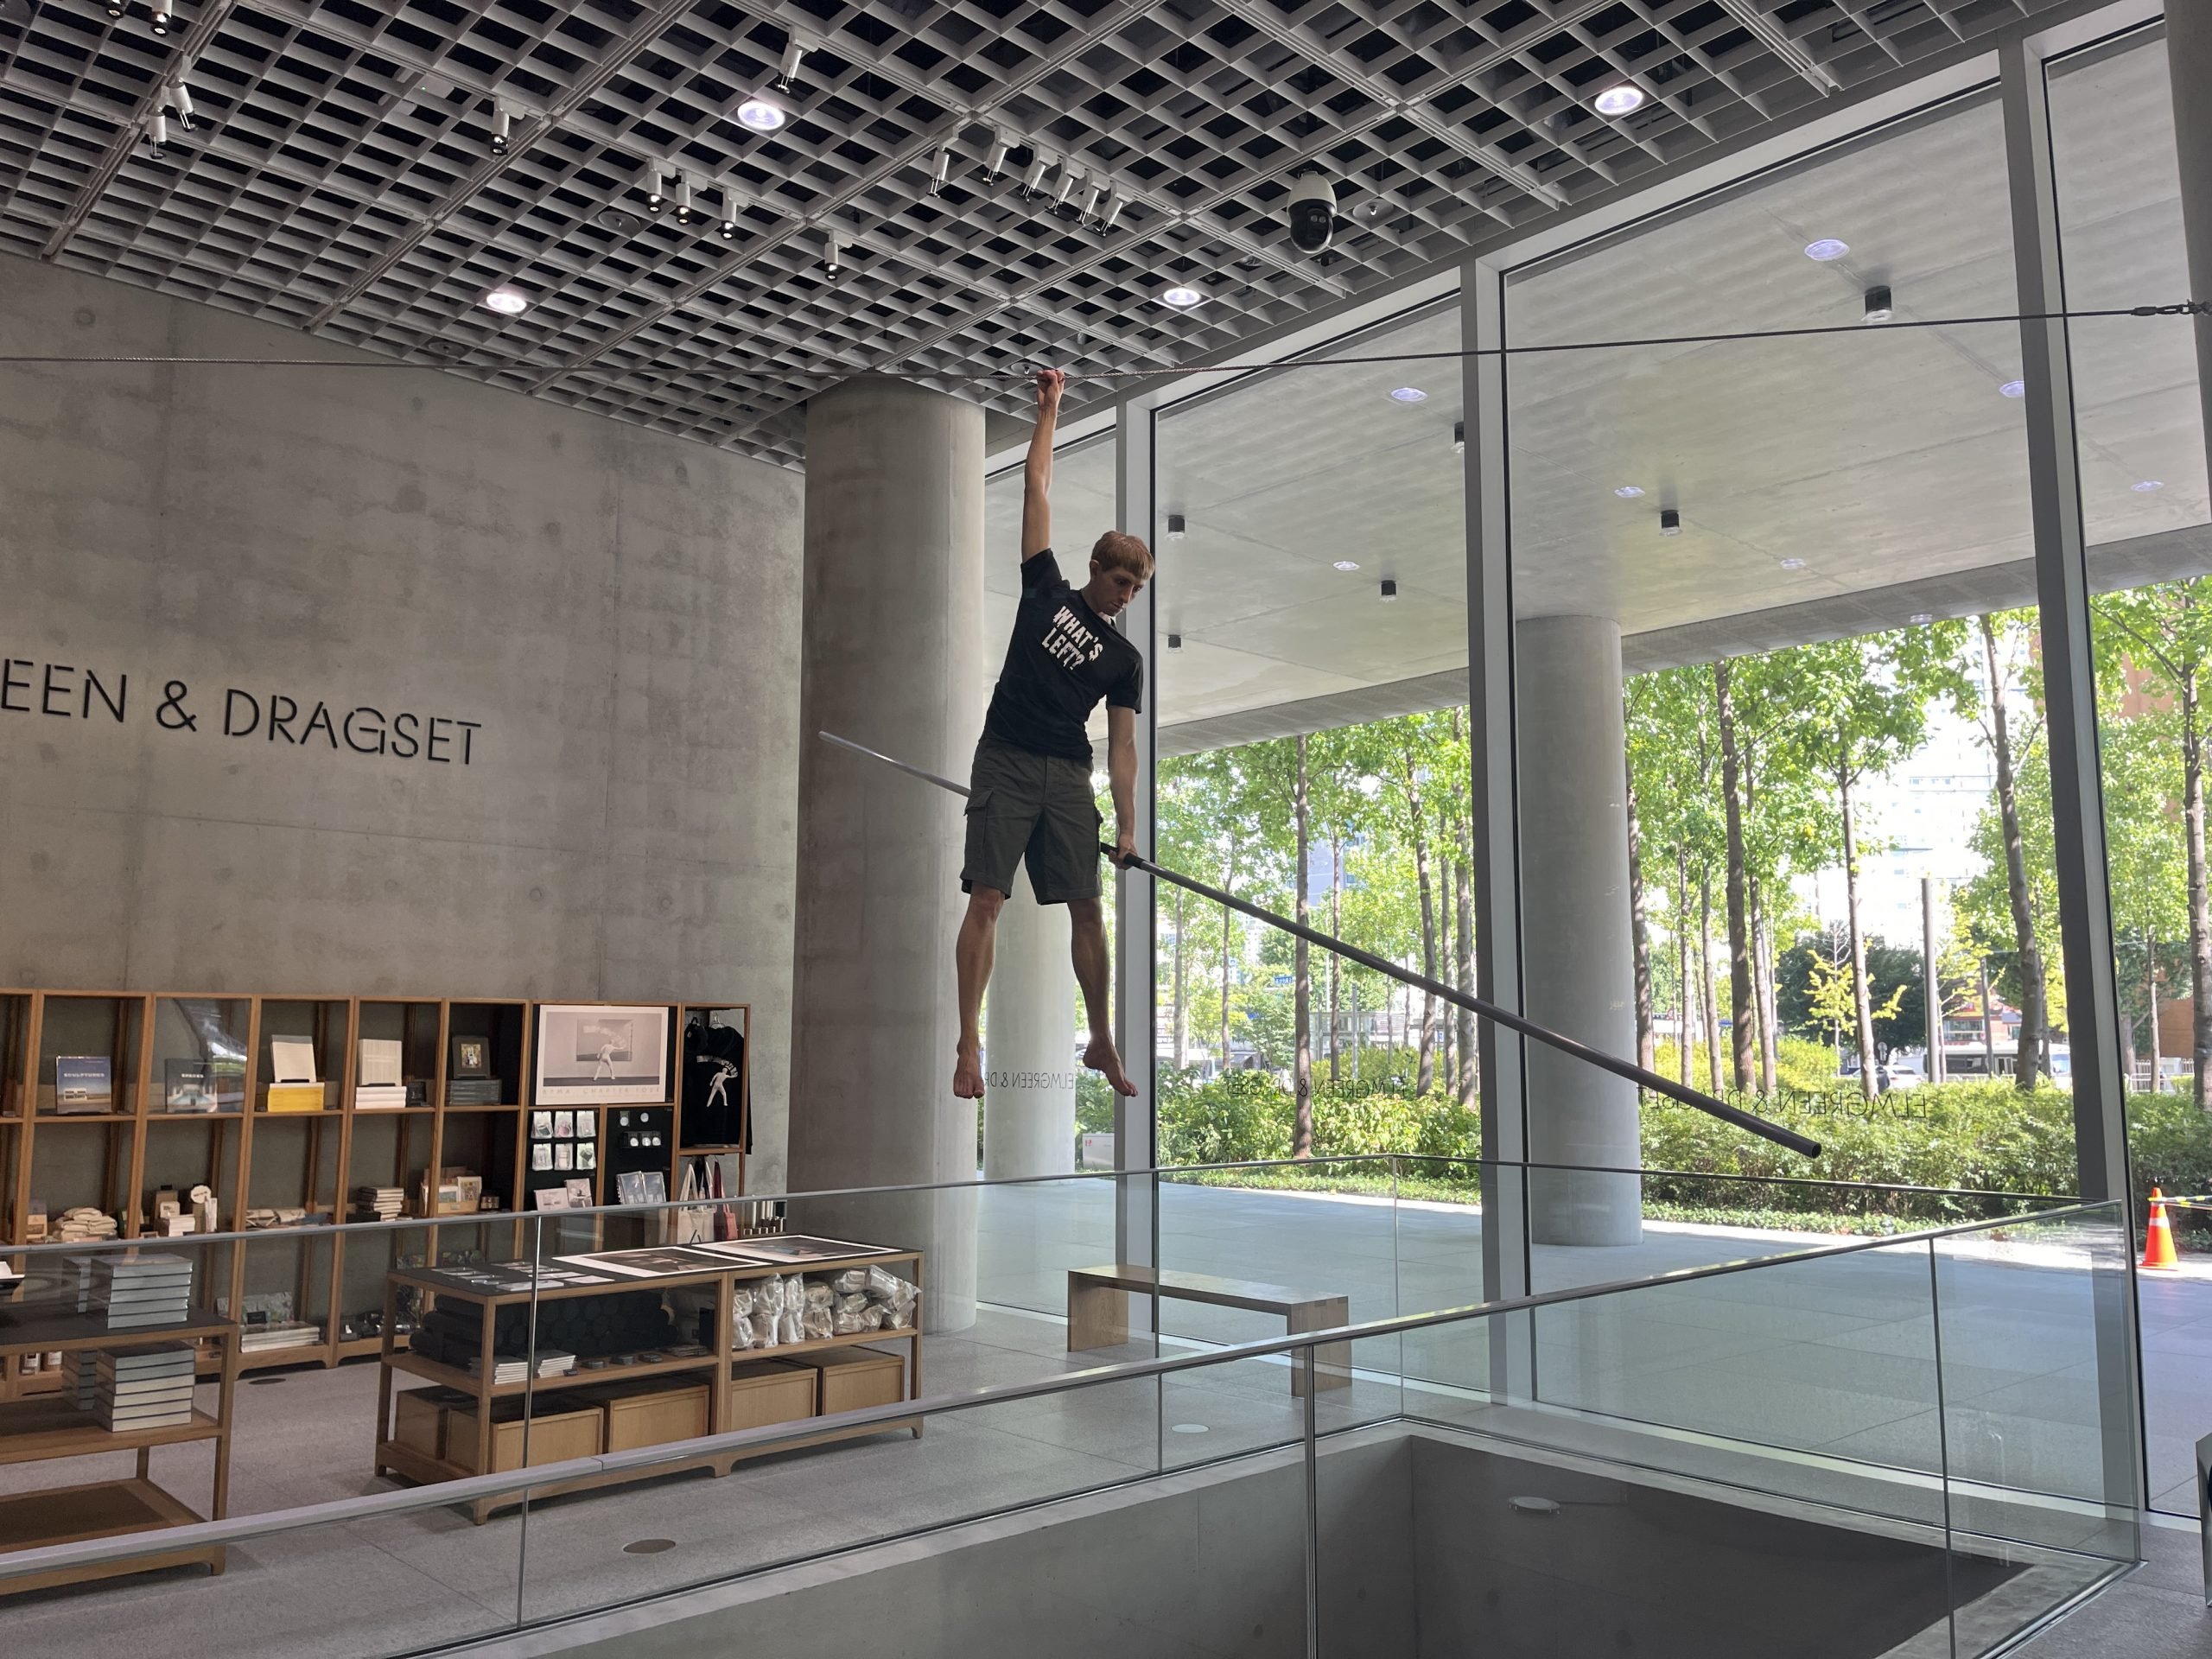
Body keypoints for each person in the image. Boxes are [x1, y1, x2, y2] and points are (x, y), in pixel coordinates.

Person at [954, 368, 1151, 1102]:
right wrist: (1050, 410)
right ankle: (969, 1040)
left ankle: (1100, 1039)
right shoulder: (1046, 590)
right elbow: (1036, 490)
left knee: (1088, 907)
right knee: (986, 899)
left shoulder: (1124, 660)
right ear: (1095, 569)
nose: (1126, 598)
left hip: (1069, 775)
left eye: (1137, 591)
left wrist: (1129, 824)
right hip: (1004, 759)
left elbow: (1122, 746)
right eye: (1120, 583)